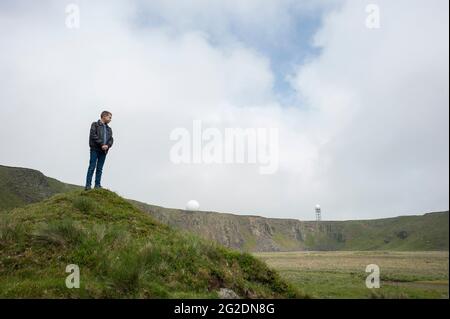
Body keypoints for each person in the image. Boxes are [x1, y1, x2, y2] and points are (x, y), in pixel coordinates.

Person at [85, 111, 114, 190]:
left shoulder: (109, 129)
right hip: (95, 149)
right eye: (109, 117)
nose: (110, 119)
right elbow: (93, 135)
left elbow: (111, 139)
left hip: (104, 151)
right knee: (92, 166)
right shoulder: (95, 124)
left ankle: (97, 185)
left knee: (100, 168)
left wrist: (107, 146)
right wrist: (102, 144)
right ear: (104, 116)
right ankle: (88, 185)